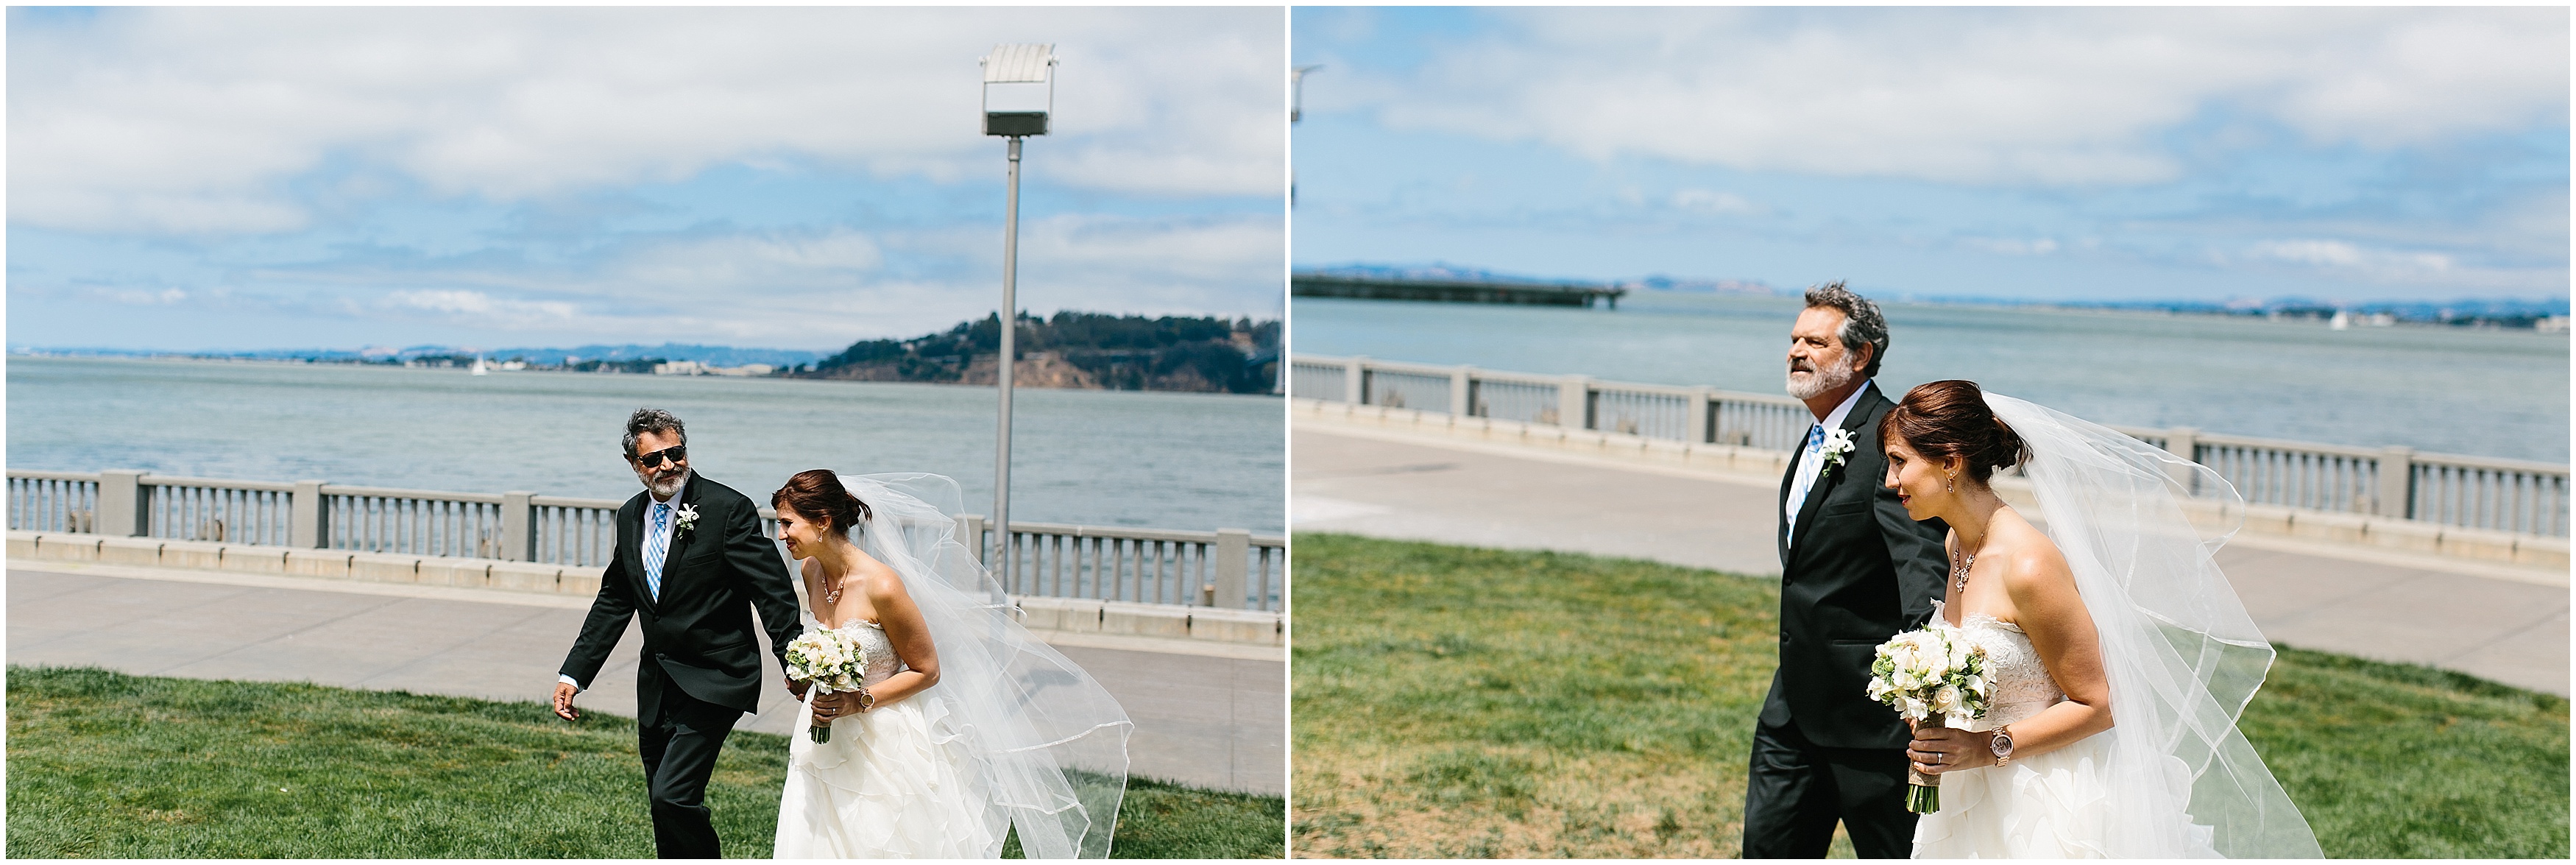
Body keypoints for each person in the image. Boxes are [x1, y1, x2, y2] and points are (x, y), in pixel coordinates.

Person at [1882, 380, 2321, 858]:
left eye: (1900, 461)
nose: (1889, 480)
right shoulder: (1958, 544)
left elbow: (2101, 701)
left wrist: (1987, 747)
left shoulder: (2028, 564)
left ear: (1950, 461)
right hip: (1975, 792)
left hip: (2046, 800)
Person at [768, 469, 1133, 859]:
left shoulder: (882, 586)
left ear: (822, 522)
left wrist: (859, 701)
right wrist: (812, 677)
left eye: (788, 524)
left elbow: (927, 670)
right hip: (823, 728)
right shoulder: (811, 571)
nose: (781, 534)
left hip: (883, 739)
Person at [1741, 282, 1950, 859]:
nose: (1796, 350)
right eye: (1793, 338)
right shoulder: (1817, 436)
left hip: (1869, 725)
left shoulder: (1892, 442)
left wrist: (1922, 697)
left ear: (1861, 355)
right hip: (1791, 710)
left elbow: (1922, 576)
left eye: (1815, 340)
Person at [553, 408, 805, 859]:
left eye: (676, 453)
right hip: (657, 684)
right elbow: (615, 599)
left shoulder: (729, 510)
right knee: (661, 802)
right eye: (654, 459)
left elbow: (772, 592)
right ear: (636, 466)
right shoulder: (631, 515)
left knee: (673, 796)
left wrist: (793, 660)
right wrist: (574, 674)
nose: (668, 465)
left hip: (716, 677)